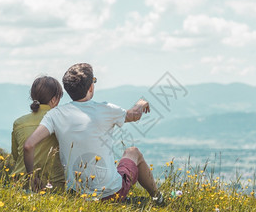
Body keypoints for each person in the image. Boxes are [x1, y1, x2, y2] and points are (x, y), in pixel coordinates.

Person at [23, 63, 163, 203]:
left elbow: (28, 145)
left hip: (76, 195)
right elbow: (134, 115)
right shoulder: (106, 109)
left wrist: (32, 177)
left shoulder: (54, 114)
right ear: (90, 87)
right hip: (111, 193)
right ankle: (158, 198)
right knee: (133, 152)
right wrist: (141, 102)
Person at [11, 76, 65, 191]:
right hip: (52, 185)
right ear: (54, 99)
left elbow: (16, 155)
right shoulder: (60, 121)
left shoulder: (19, 123)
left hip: (20, 183)